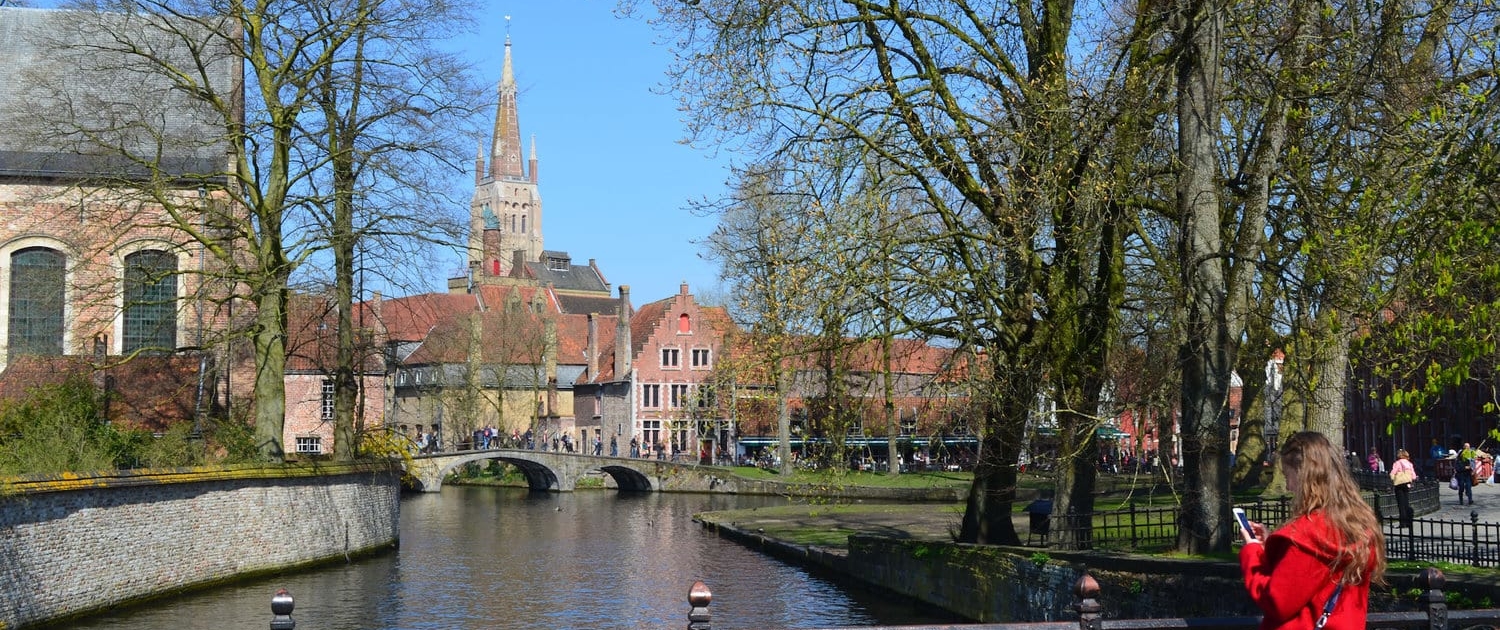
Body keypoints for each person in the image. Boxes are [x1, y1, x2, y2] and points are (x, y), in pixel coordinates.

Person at [1239, 431, 1385, 630]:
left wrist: (1253, 553)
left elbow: (1277, 602)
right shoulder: (1358, 525)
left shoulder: (1308, 533)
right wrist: (1273, 547)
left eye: (1287, 476)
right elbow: (1312, 584)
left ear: (1303, 477)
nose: (1289, 487)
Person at [1388, 449, 1415, 528]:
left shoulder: (1397, 463)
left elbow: (1393, 473)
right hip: (1407, 483)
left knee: (1401, 504)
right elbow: (1413, 475)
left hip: (1399, 484)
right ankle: (1408, 522)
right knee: (1406, 502)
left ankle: (1402, 522)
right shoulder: (1409, 463)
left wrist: (1393, 478)